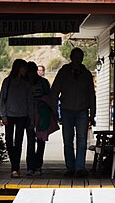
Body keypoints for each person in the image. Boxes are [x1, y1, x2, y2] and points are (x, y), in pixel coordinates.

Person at [51, 47, 96, 177]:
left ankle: (80, 168)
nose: (77, 60)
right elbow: (54, 91)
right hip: (66, 111)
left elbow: (91, 94)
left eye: (80, 58)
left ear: (82, 59)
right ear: (71, 58)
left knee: (82, 140)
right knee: (67, 140)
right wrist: (54, 110)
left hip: (82, 111)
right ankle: (70, 168)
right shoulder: (63, 72)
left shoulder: (86, 74)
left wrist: (92, 113)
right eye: (75, 57)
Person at [0, 59, 31, 178]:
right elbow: (2, 99)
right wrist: (3, 115)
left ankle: (15, 168)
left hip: (22, 115)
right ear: (18, 68)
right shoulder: (7, 82)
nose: (25, 70)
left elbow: (29, 101)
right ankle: (14, 164)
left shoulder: (26, 84)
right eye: (24, 68)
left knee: (19, 141)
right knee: (8, 140)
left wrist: (30, 117)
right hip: (9, 115)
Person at [26, 61, 57, 176]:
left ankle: (38, 165)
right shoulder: (25, 84)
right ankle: (31, 166)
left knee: (41, 140)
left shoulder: (43, 82)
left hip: (42, 113)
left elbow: (49, 97)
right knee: (30, 140)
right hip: (29, 114)